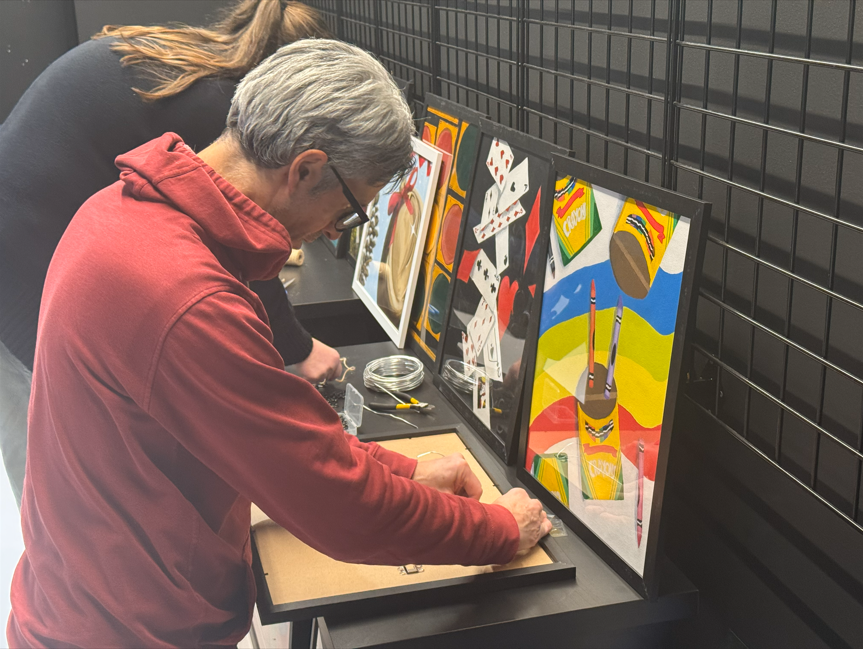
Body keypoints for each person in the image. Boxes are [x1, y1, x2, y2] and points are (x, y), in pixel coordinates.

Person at [7, 39, 552, 648]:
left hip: (83, 597)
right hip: (126, 632)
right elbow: (333, 502)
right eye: (348, 213)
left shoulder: (125, 212)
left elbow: (286, 440)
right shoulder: (188, 298)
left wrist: (408, 471)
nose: (331, 232)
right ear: (307, 170)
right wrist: (498, 529)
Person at [0, 0, 341, 510]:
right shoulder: (220, 110)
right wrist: (299, 348)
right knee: (64, 449)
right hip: (18, 261)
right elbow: (243, 230)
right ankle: (76, 560)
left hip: (25, 227)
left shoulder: (186, 62)